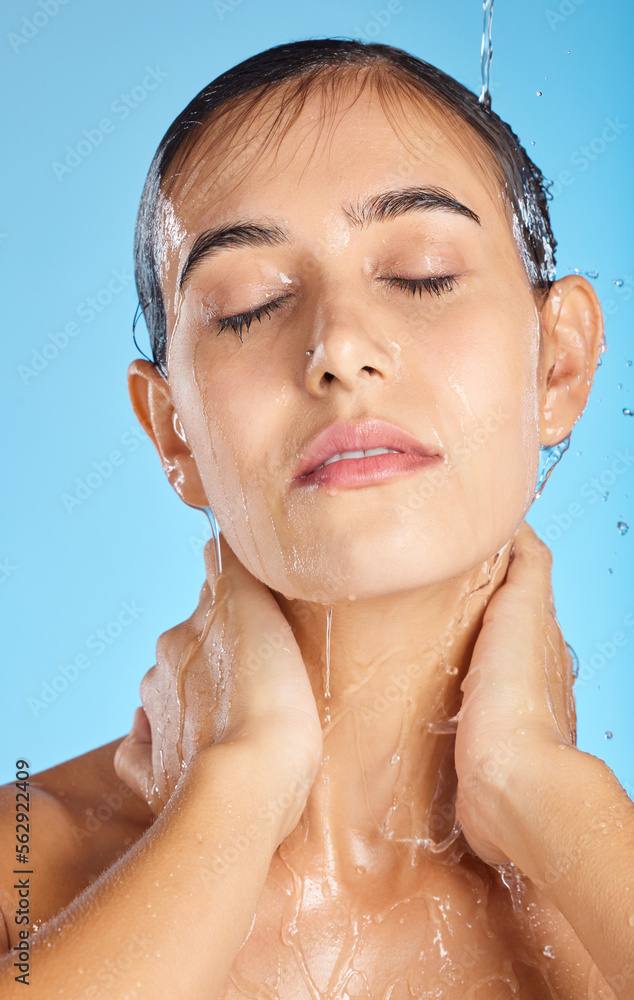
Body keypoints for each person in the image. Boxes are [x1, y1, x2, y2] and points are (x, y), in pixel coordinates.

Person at [1, 38, 632, 999]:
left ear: (559, 363)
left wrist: (550, 795)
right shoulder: (23, 856)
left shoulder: (603, 891)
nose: (336, 346)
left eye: (421, 274)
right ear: (173, 430)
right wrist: (238, 795)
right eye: (250, 304)